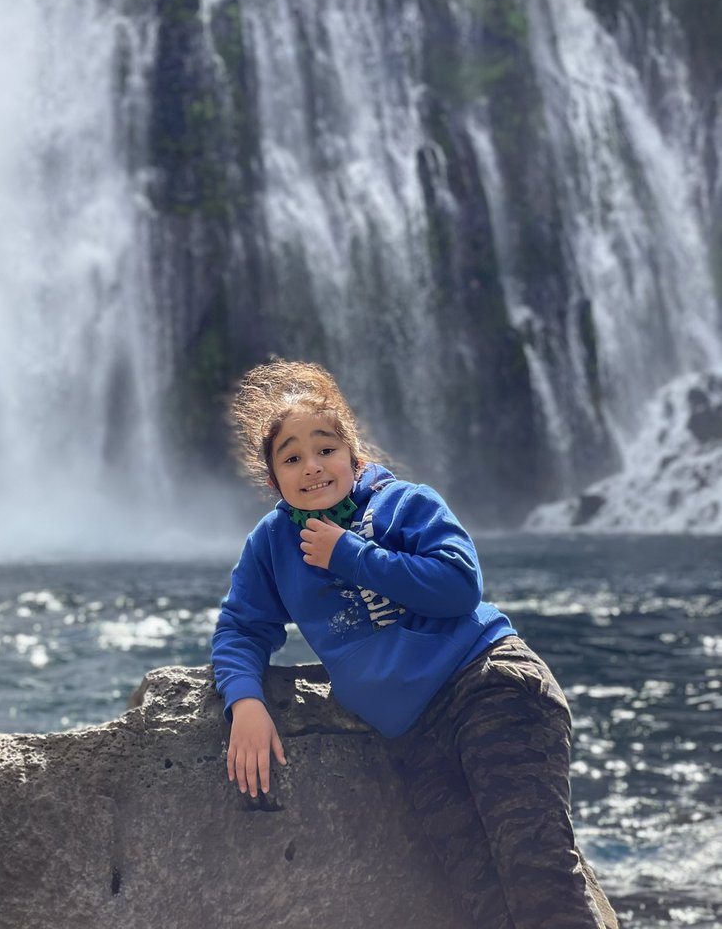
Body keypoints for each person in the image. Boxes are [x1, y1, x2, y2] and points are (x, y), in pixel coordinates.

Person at [211, 359, 617, 929]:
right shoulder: (272, 544)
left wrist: (348, 553)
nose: (312, 467)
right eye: (292, 457)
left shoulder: (405, 504)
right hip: (415, 736)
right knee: (480, 898)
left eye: (325, 449)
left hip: (489, 685)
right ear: (273, 479)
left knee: (538, 874)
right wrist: (245, 701)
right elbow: (241, 628)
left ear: (354, 455)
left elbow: (457, 586)